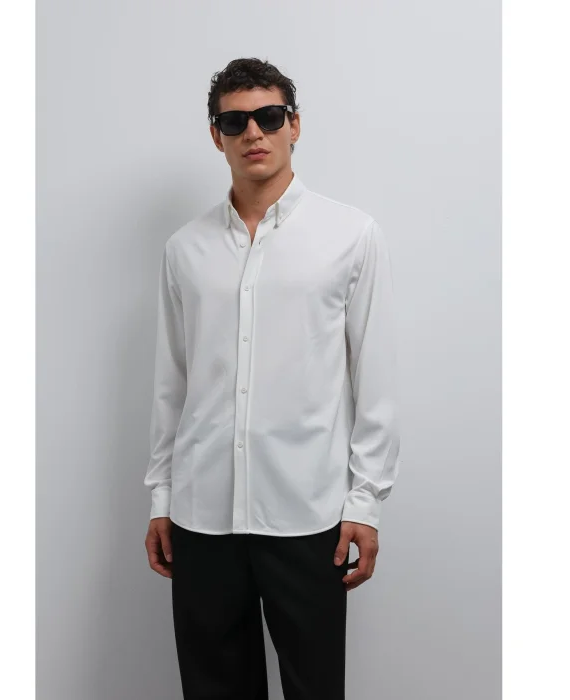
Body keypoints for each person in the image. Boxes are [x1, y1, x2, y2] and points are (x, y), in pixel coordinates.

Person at [143, 57, 402, 700]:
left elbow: (374, 378)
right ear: (217, 135)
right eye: (235, 121)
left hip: (308, 515)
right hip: (202, 517)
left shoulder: (351, 236)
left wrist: (365, 501)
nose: (253, 132)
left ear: (294, 125)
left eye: (268, 116)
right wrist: (161, 497)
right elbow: (172, 384)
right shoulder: (184, 249)